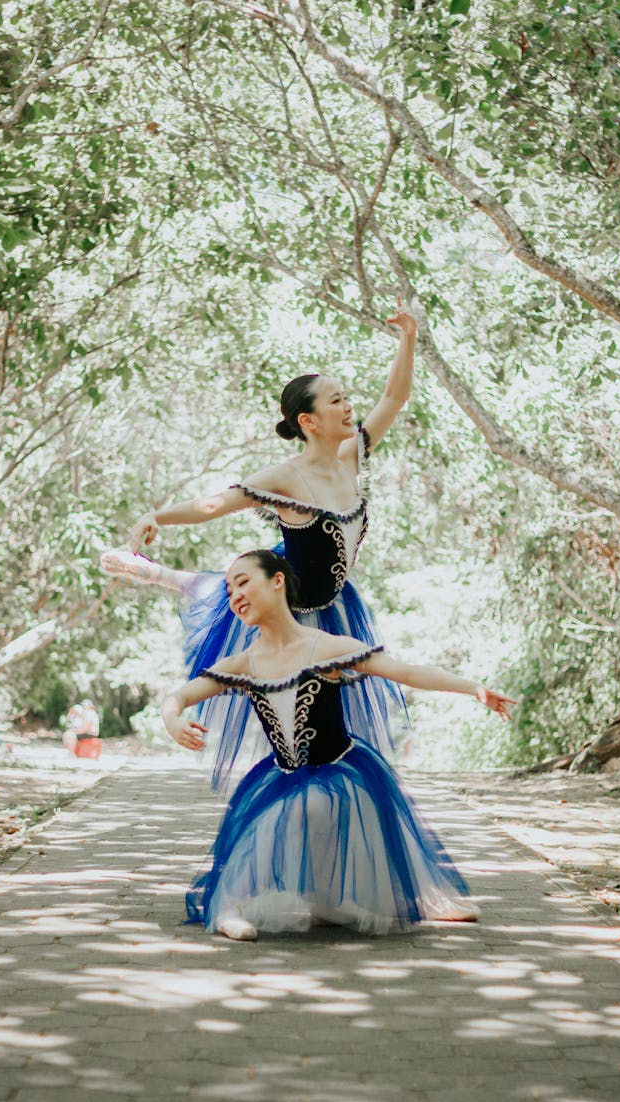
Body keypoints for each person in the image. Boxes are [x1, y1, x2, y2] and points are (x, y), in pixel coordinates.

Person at [102, 299, 418, 786]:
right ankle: (156, 571)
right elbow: (217, 505)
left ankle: (160, 574)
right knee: (294, 727)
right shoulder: (286, 477)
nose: (348, 405)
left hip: (335, 604)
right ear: (309, 421)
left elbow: (394, 399)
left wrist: (409, 336)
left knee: (333, 731)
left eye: (345, 396)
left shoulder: (354, 454)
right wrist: (156, 516)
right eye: (335, 400)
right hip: (286, 604)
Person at [161, 550, 516, 941]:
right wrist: (172, 719)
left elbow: (407, 672)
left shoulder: (327, 647)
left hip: (343, 771)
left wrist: (474, 689)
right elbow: (178, 697)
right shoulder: (243, 663)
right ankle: (231, 907)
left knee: (312, 803)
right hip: (282, 776)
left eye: (243, 581)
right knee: (286, 810)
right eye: (228, 590)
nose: (235, 595)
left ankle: (352, 900)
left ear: (277, 581)